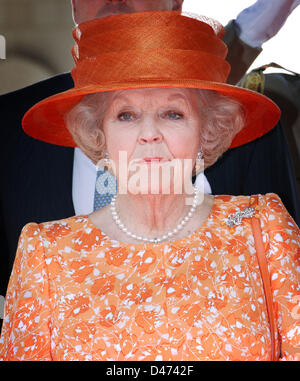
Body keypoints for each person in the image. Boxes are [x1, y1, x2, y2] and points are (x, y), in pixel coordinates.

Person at [0, 11, 299, 361]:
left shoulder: (261, 226)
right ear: (99, 133)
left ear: (206, 130)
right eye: (126, 115)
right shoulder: (45, 252)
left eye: (173, 114)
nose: (149, 133)